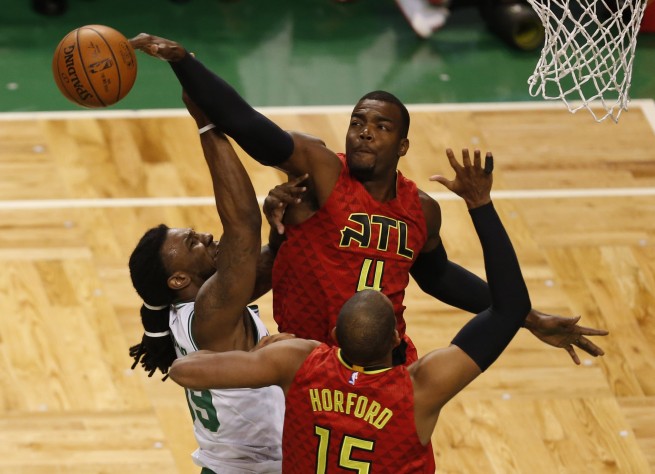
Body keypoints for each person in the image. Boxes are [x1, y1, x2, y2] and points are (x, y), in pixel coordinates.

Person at [128, 32, 608, 367]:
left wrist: (526, 317)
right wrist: (185, 63)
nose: (364, 133)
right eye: (358, 121)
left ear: (402, 146)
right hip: (305, 358)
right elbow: (253, 129)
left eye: (381, 127)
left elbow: (438, 276)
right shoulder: (319, 168)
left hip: (385, 362)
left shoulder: (422, 208)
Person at [167, 149, 532, 473]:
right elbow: (510, 308)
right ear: (395, 338)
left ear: (336, 338)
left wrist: (265, 352)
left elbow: (183, 370)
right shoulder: (420, 391)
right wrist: (480, 203)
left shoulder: (299, 364)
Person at [128, 91, 292, 474]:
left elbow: (264, 263)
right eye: (193, 243)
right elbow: (242, 227)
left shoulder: (208, 304)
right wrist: (209, 126)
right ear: (179, 278)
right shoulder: (210, 312)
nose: (207, 238)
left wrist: (280, 231)